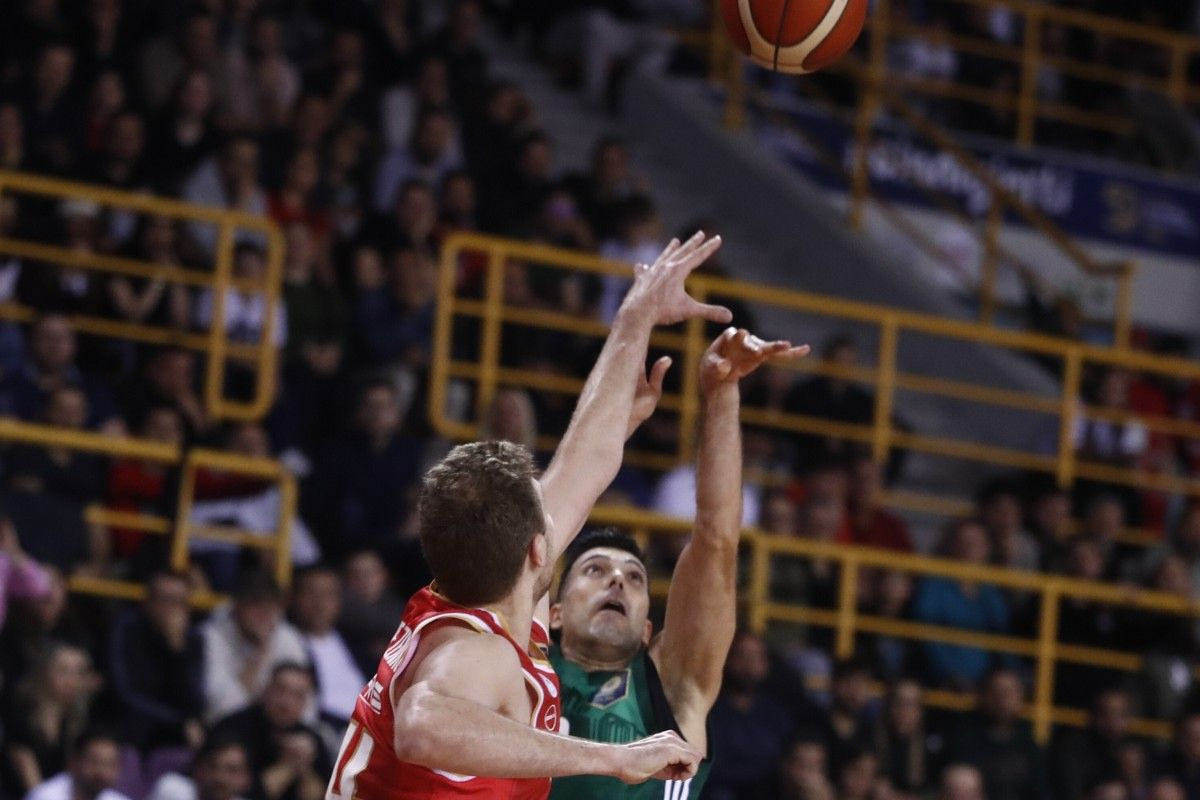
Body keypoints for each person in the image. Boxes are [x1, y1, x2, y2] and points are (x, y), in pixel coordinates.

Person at [327, 232, 730, 798]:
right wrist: (613, 757)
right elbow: (421, 723)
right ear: (538, 550)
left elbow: (584, 462)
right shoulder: (476, 653)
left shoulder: (496, 600)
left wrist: (636, 318)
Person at [549, 326, 810, 800]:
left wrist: (722, 393)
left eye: (634, 578)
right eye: (595, 570)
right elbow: (546, 514)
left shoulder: (671, 683)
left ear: (647, 630)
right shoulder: (525, 668)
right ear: (554, 613)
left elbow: (716, 539)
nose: (617, 581)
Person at [24, 730, 132, 800]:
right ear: (74, 761)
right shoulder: (45, 796)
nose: (101, 772)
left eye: (109, 764)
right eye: (94, 762)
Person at [146, 739, 252, 800]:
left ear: (246, 777)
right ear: (198, 768)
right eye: (212, 766)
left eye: (232, 770)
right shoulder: (171, 789)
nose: (220, 777)